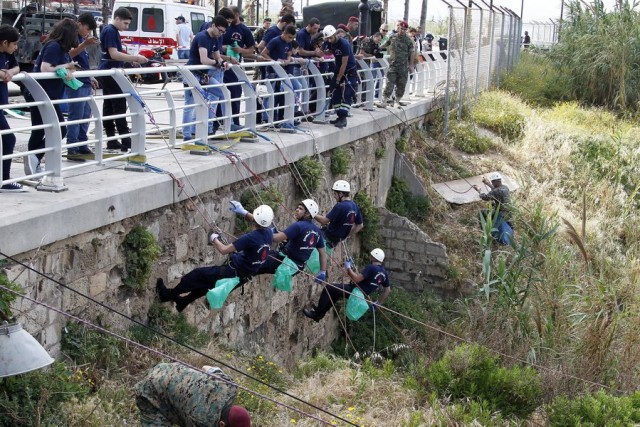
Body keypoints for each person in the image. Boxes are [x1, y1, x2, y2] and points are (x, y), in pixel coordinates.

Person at [156, 205, 274, 312]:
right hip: (243, 276)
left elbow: (223, 250)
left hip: (232, 272)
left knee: (197, 275)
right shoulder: (269, 233)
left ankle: (167, 294)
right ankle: (183, 302)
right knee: (207, 285)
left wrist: (214, 239)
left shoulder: (251, 237)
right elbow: (258, 221)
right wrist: (243, 211)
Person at [23, 19, 79, 175]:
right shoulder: (54, 46)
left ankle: (33, 161)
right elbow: (45, 68)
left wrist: (67, 69)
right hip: (41, 93)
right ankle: (33, 158)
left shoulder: (60, 48)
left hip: (47, 94)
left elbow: (55, 68)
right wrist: (67, 66)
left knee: (41, 129)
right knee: (59, 128)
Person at [230, 199, 328, 280]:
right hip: (296, 266)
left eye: (300, 209)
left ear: (307, 213)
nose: (297, 210)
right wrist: (322, 272)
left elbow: (276, 239)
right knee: (265, 256)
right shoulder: (317, 231)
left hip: (286, 262)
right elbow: (323, 253)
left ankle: (235, 273)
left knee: (256, 262)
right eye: (297, 208)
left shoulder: (298, 226)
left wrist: (266, 230)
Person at [135, 363, 251, 426]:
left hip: (166, 368)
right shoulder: (201, 421)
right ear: (222, 424)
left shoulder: (229, 386)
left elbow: (206, 367)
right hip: (150, 393)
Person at [99, 7, 148, 151]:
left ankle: (112, 140)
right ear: (117, 19)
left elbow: (115, 54)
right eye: (125, 24)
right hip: (111, 73)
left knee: (109, 106)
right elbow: (114, 54)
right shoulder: (110, 31)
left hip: (108, 72)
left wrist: (129, 61)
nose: (126, 27)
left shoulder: (111, 31)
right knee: (118, 106)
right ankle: (126, 140)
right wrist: (135, 57)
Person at [303, 248, 391, 322]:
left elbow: (356, 279)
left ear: (374, 258)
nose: (370, 257)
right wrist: (378, 302)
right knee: (335, 292)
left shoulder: (371, 268)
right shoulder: (384, 273)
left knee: (329, 288)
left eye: (371, 256)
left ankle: (317, 314)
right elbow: (387, 290)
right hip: (362, 295)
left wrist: (348, 267)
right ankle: (320, 311)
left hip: (355, 291)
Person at [182, 15, 228, 141]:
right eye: (220, 30)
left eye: (223, 32)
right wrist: (216, 63)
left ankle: (222, 126)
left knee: (223, 92)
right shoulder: (202, 36)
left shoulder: (217, 38)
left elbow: (217, 56)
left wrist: (222, 62)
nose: (221, 34)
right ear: (213, 25)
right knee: (190, 104)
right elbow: (204, 60)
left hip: (204, 76)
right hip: (192, 74)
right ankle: (187, 135)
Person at [66, 13, 99, 156]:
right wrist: (85, 44)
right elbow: (71, 55)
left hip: (85, 80)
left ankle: (82, 142)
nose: (88, 32)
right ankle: (72, 145)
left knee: (86, 114)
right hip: (77, 82)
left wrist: (90, 76)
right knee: (76, 114)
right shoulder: (73, 39)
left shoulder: (81, 40)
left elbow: (84, 62)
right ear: (79, 24)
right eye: (87, 28)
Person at [221, 6, 256, 126]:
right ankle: (218, 121)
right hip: (220, 65)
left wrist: (240, 50)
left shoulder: (244, 30)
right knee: (219, 94)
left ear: (236, 14)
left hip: (234, 67)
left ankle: (234, 121)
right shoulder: (223, 26)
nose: (228, 21)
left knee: (235, 93)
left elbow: (251, 50)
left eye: (230, 17)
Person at [0, 25, 25, 192]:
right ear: (4, 42)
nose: (16, 48)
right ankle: (4, 180)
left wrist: (9, 72)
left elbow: (17, 68)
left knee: (7, 139)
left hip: (1, 105)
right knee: (9, 139)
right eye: (14, 44)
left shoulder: (8, 55)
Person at [321, 25, 357, 129]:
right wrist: (323, 50)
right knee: (334, 92)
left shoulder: (344, 44)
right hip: (338, 70)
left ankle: (343, 118)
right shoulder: (329, 42)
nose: (329, 40)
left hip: (348, 71)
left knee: (347, 94)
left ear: (335, 35)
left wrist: (338, 79)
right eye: (327, 38)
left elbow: (344, 63)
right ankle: (339, 116)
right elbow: (328, 50)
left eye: (330, 38)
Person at [260, 24, 295, 125]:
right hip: (271, 72)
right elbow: (263, 53)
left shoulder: (289, 43)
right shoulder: (275, 40)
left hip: (281, 72)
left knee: (279, 95)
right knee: (269, 95)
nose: (290, 39)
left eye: (292, 38)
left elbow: (289, 53)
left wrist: (288, 60)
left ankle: (276, 117)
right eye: (289, 37)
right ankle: (266, 119)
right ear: (284, 33)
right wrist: (274, 61)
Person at [314, 180, 363, 248]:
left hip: (325, 237)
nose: (334, 196)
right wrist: (346, 234)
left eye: (335, 194)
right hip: (334, 242)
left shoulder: (340, 206)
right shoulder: (355, 206)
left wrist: (312, 213)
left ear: (340, 194)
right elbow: (360, 225)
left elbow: (324, 220)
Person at [377, 21, 415, 108]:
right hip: (393, 65)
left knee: (401, 84)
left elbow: (412, 52)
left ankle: (397, 101)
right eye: (401, 29)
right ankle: (385, 101)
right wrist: (377, 48)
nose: (402, 31)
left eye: (405, 29)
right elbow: (385, 45)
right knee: (389, 83)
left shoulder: (408, 40)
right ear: (398, 28)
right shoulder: (392, 37)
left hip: (403, 66)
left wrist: (411, 65)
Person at [473, 172, 513, 244]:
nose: (492, 183)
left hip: (501, 213)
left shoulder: (495, 191)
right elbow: (496, 189)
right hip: (508, 212)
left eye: (492, 182)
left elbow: (485, 197)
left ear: (496, 181)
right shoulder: (505, 187)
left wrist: (479, 190)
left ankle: (485, 230)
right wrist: (487, 183)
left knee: (482, 212)